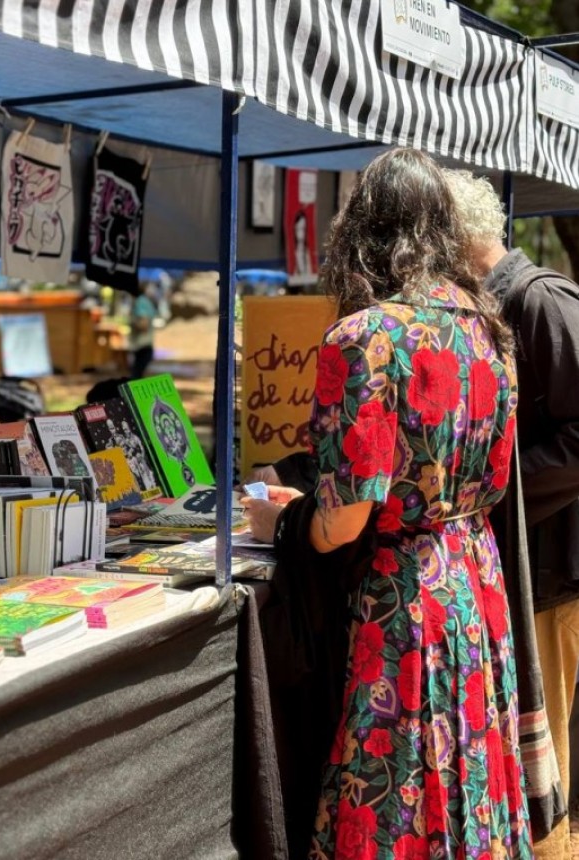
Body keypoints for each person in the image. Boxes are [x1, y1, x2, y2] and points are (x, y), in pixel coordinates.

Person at [242, 148, 532, 856]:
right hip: (474, 580)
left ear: (362, 233)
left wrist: (283, 522)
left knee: (396, 780)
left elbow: (344, 521)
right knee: (466, 765)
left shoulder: (364, 339)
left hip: (403, 598)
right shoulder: (489, 333)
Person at [445, 168, 579, 860]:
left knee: (544, 762)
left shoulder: (541, 301)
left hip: (553, 573)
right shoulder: (490, 309)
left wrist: (489, 485)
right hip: (526, 568)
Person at [128, 281, 156, 379]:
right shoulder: (145, 301)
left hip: (142, 347)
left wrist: (132, 321)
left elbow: (144, 324)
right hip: (145, 346)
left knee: (136, 377)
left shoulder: (140, 302)